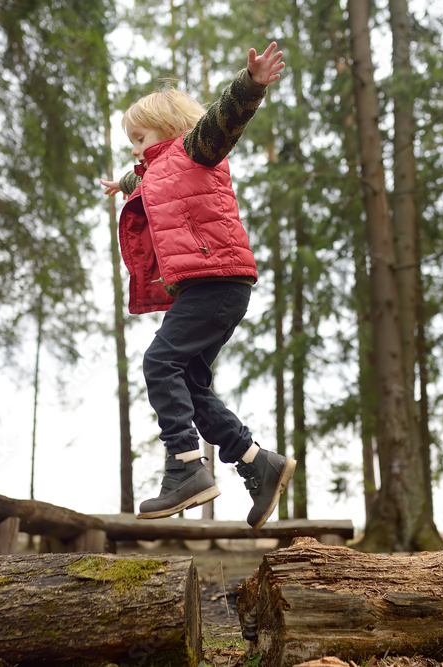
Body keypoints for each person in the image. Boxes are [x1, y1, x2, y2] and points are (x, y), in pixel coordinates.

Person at [100, 42, 295, 530]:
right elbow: (145, 177)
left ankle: (185, 465)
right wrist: (123, 184)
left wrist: (250, 85)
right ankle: (255, 461)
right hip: (210, 288)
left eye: (138, 136)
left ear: (167, 130)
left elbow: (224, 119)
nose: (133, 147)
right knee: (189, 379)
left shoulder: (195, 149)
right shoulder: (156, 171)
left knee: (159, 361)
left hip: (218, 282)